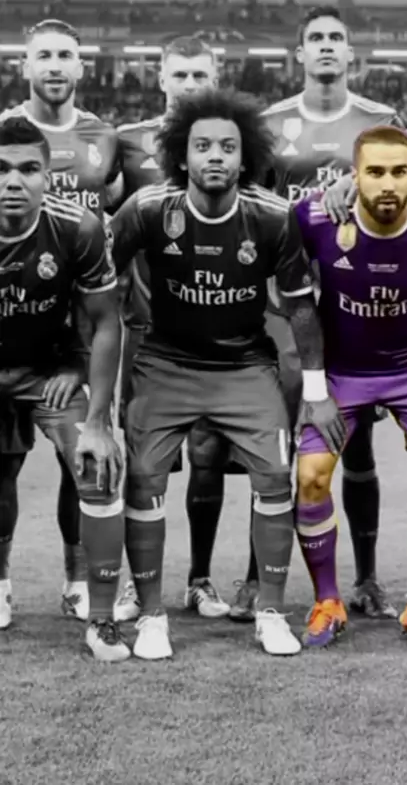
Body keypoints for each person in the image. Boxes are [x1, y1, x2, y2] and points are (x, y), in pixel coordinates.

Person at [108, 89, 328, 659]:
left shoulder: (271, 217)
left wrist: (317, 389)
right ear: (181, 155)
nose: (215, 157)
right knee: (144, 479)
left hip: (244, 365)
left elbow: (300, 306)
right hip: (165, 363)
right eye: (202, 146)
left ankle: (270, 612)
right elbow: (96, 280)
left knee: (275, 477)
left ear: (244, 156)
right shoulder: (147, 209)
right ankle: (151, 616)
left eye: (227, 148)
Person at [228, 5, 402, 622]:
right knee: (274, 446)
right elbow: (250, 209)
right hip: (285, 308)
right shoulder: (270, 126)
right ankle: (256, 580)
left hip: (359, 307)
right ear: (299, 54)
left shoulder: (381, 122)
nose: (327, 46)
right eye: (316, 38)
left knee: (358, 447)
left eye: (337, 38)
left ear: (351, 54)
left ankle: (369, 579)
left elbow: (404, 203)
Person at [294, 124, 407, 652]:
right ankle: (327, 602)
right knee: (310, 476)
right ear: (353, 176)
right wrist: (313, 387)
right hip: (342, 370)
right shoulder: (314, 217)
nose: (388, 183)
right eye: (374, 172)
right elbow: (288, 288)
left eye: (399, 172)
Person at [0, 18, 124, 622]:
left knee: (91, 463)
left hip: (57, 363)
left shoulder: (80, 221)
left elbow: (103, 318)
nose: (13, 182)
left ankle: (83, 585)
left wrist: (93, 408)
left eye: (27, 171)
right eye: (3, 170)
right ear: (23, 66)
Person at [114, 36, 232, 623]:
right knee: (145, 466)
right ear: (160, 79)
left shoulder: (231, 144)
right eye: (179, 74)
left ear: (215, 79)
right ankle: (137, 584)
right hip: (146, 333)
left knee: (208, 460)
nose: (189, 84)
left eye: (199, 75)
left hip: (215, 332)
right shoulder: (126, 143)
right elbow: (100, 218)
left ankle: (200, 580)